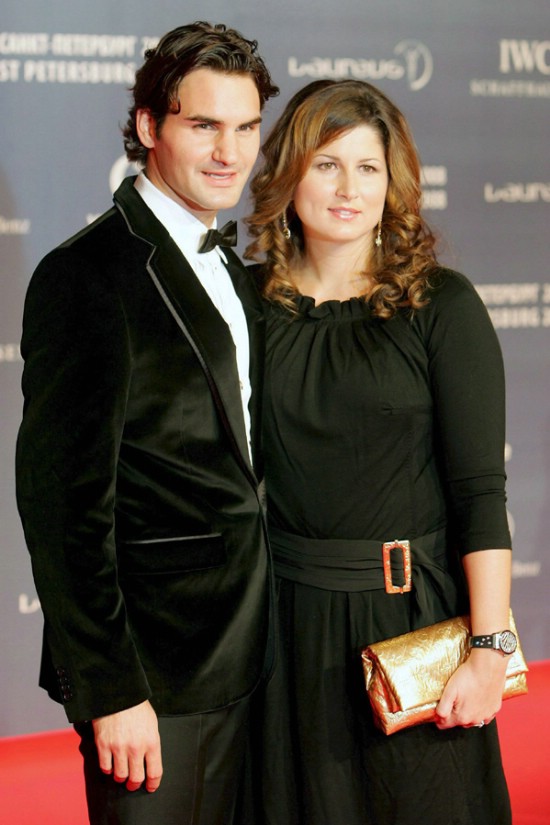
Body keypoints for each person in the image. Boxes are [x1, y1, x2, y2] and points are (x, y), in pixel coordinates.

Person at [15, 22, 278, 825]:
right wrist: (112, 689)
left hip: (255, 653)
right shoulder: (86, 276)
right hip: (155, 679)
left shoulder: (232, 263)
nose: (230, 152)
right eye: (205, 125)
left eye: (246, 127)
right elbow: (63, 508)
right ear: (148, 126)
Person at [245, 79, 514, 825]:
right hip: (283, 629)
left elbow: (480, 493)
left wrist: (490, 647)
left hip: (410, 623)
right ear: (290, 173)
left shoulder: (441, 305)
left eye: (368, 168)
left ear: (392, 183)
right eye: (327, 164)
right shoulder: (246, 305)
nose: (348, 189)